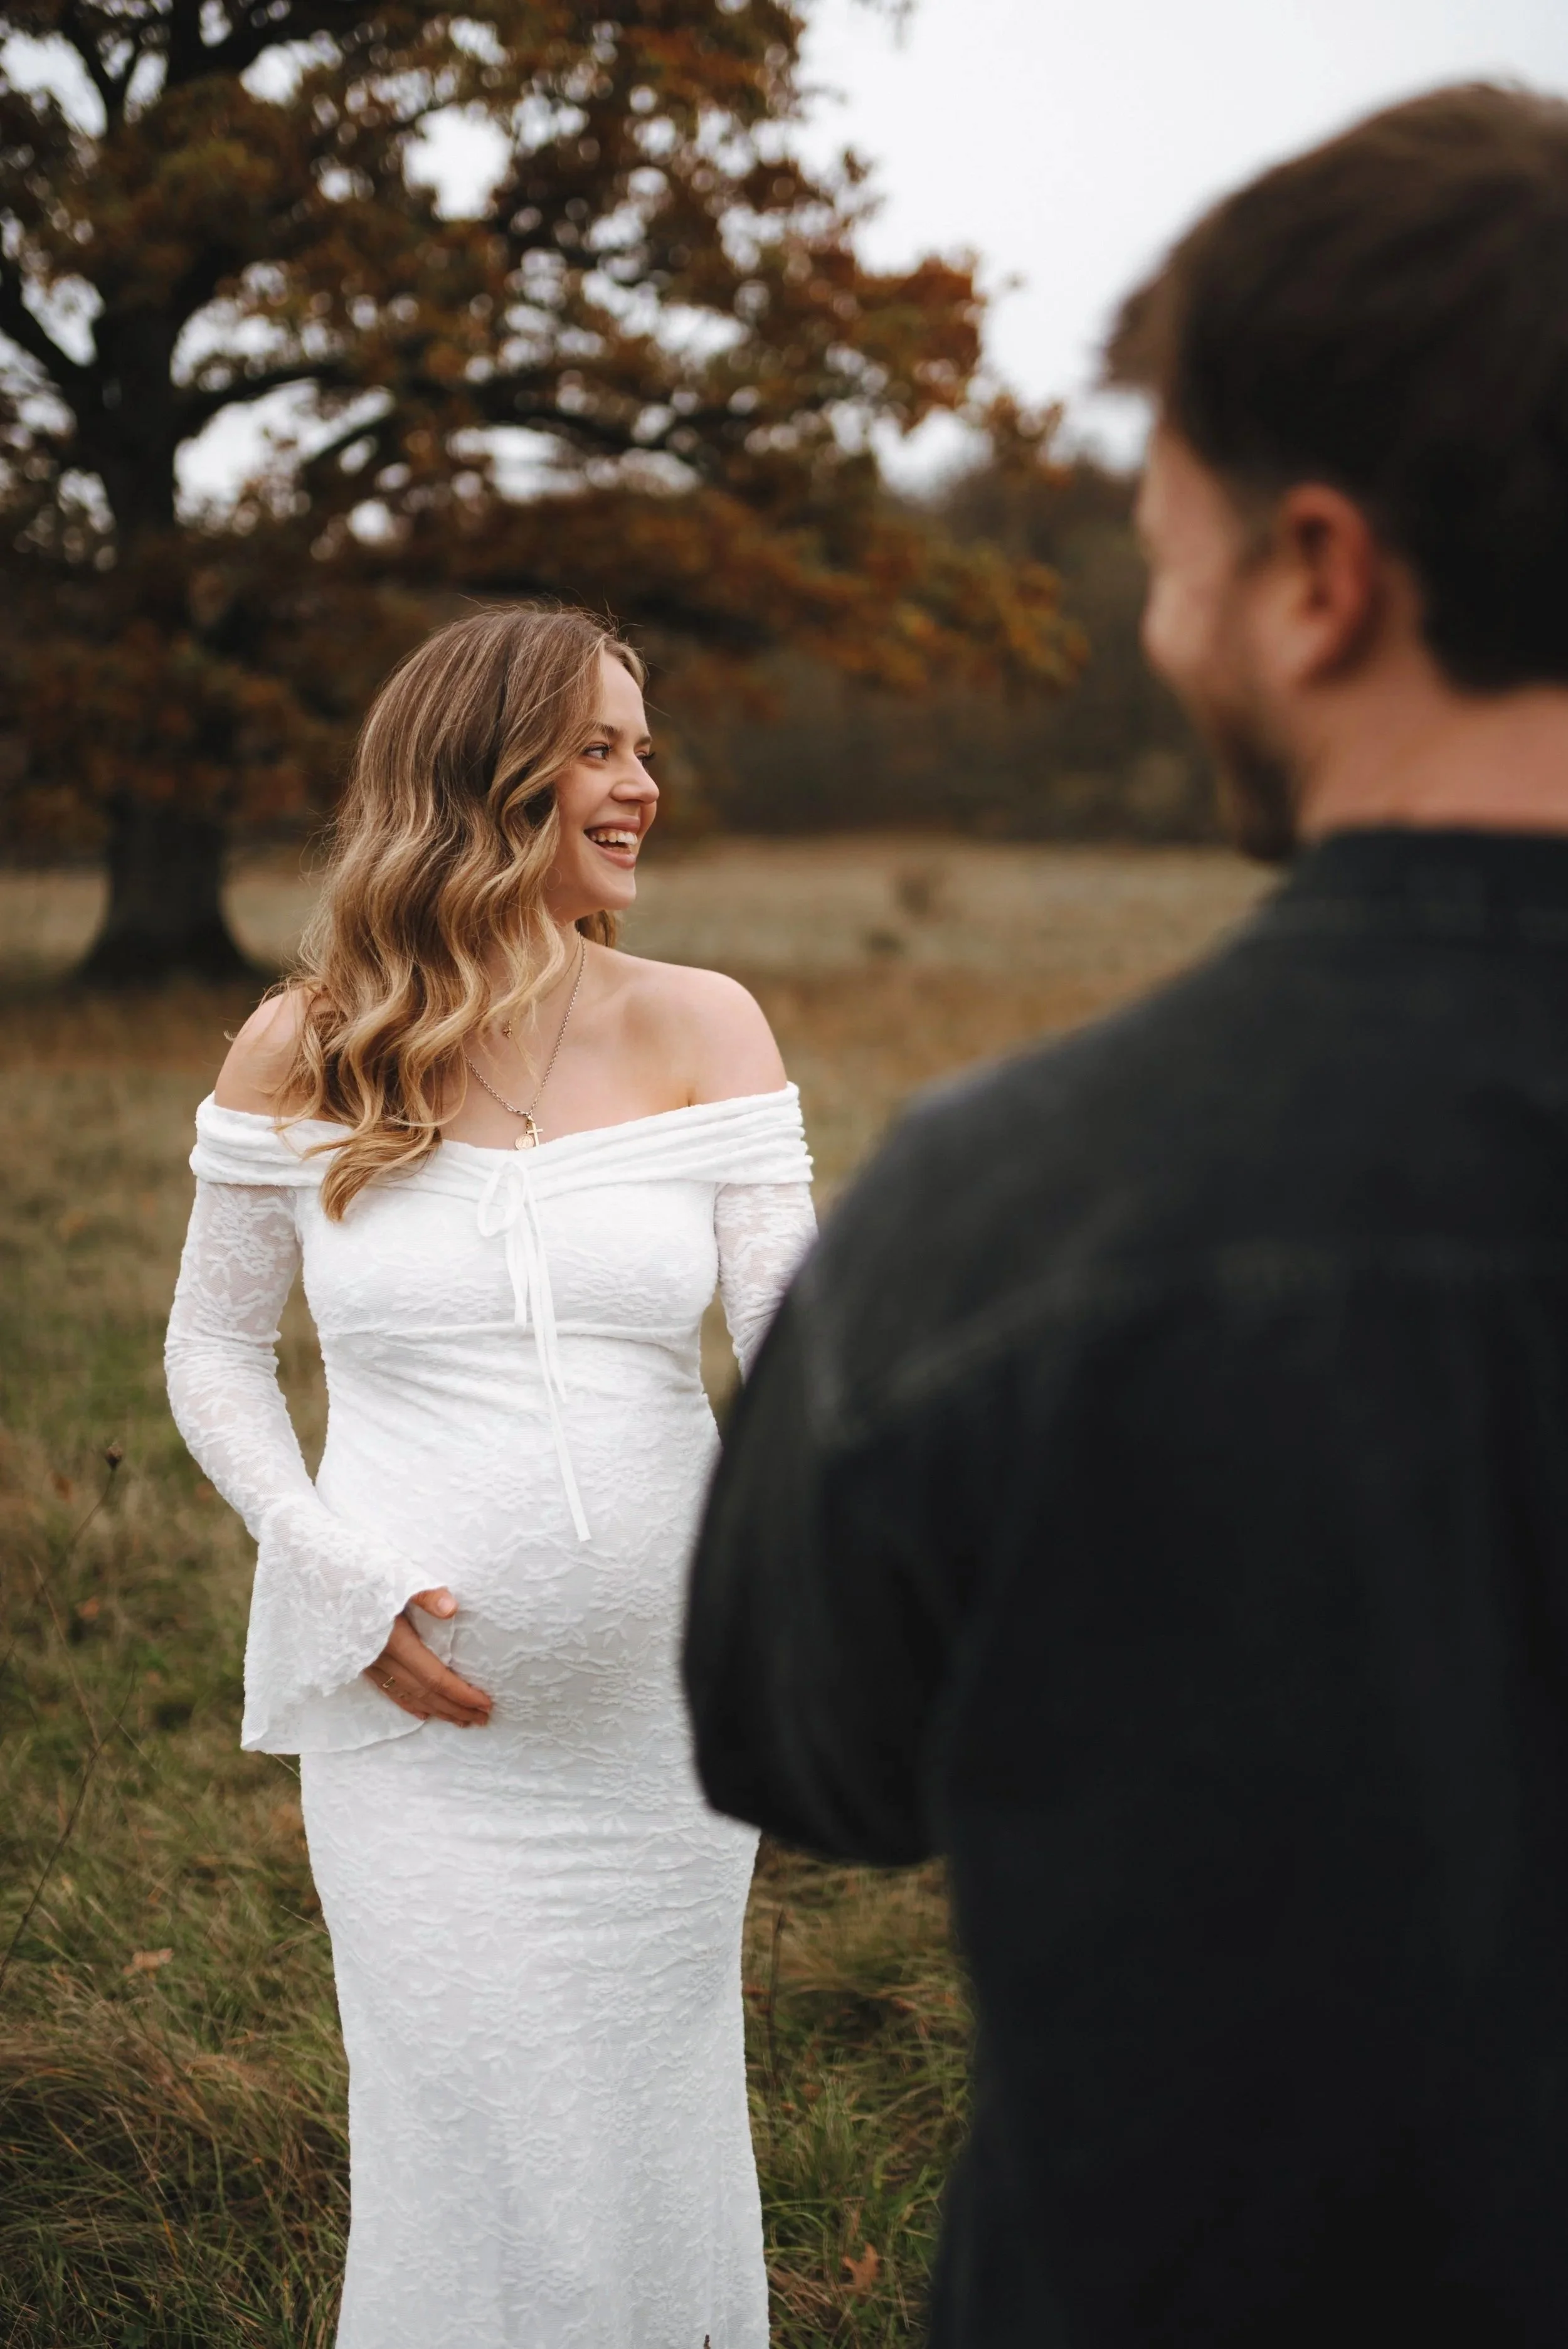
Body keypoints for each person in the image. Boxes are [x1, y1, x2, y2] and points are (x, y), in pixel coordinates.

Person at [684, 83, 1568, 2348]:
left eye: (1169, 556)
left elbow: (803, 1758)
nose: (1161, 629)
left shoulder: (999, 1213)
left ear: (1317, 578)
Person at [164, 607, 815, 2348]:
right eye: (598, 748)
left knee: (650, 2140)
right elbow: (211, 1353)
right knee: (468, 2145)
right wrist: (325, 1566)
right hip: (416, 1734)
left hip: (664, 1731)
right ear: (481, 774)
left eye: (645, 749)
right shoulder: (302, 1045)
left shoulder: (706, 1027)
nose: (642, 786)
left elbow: (802, 1353)